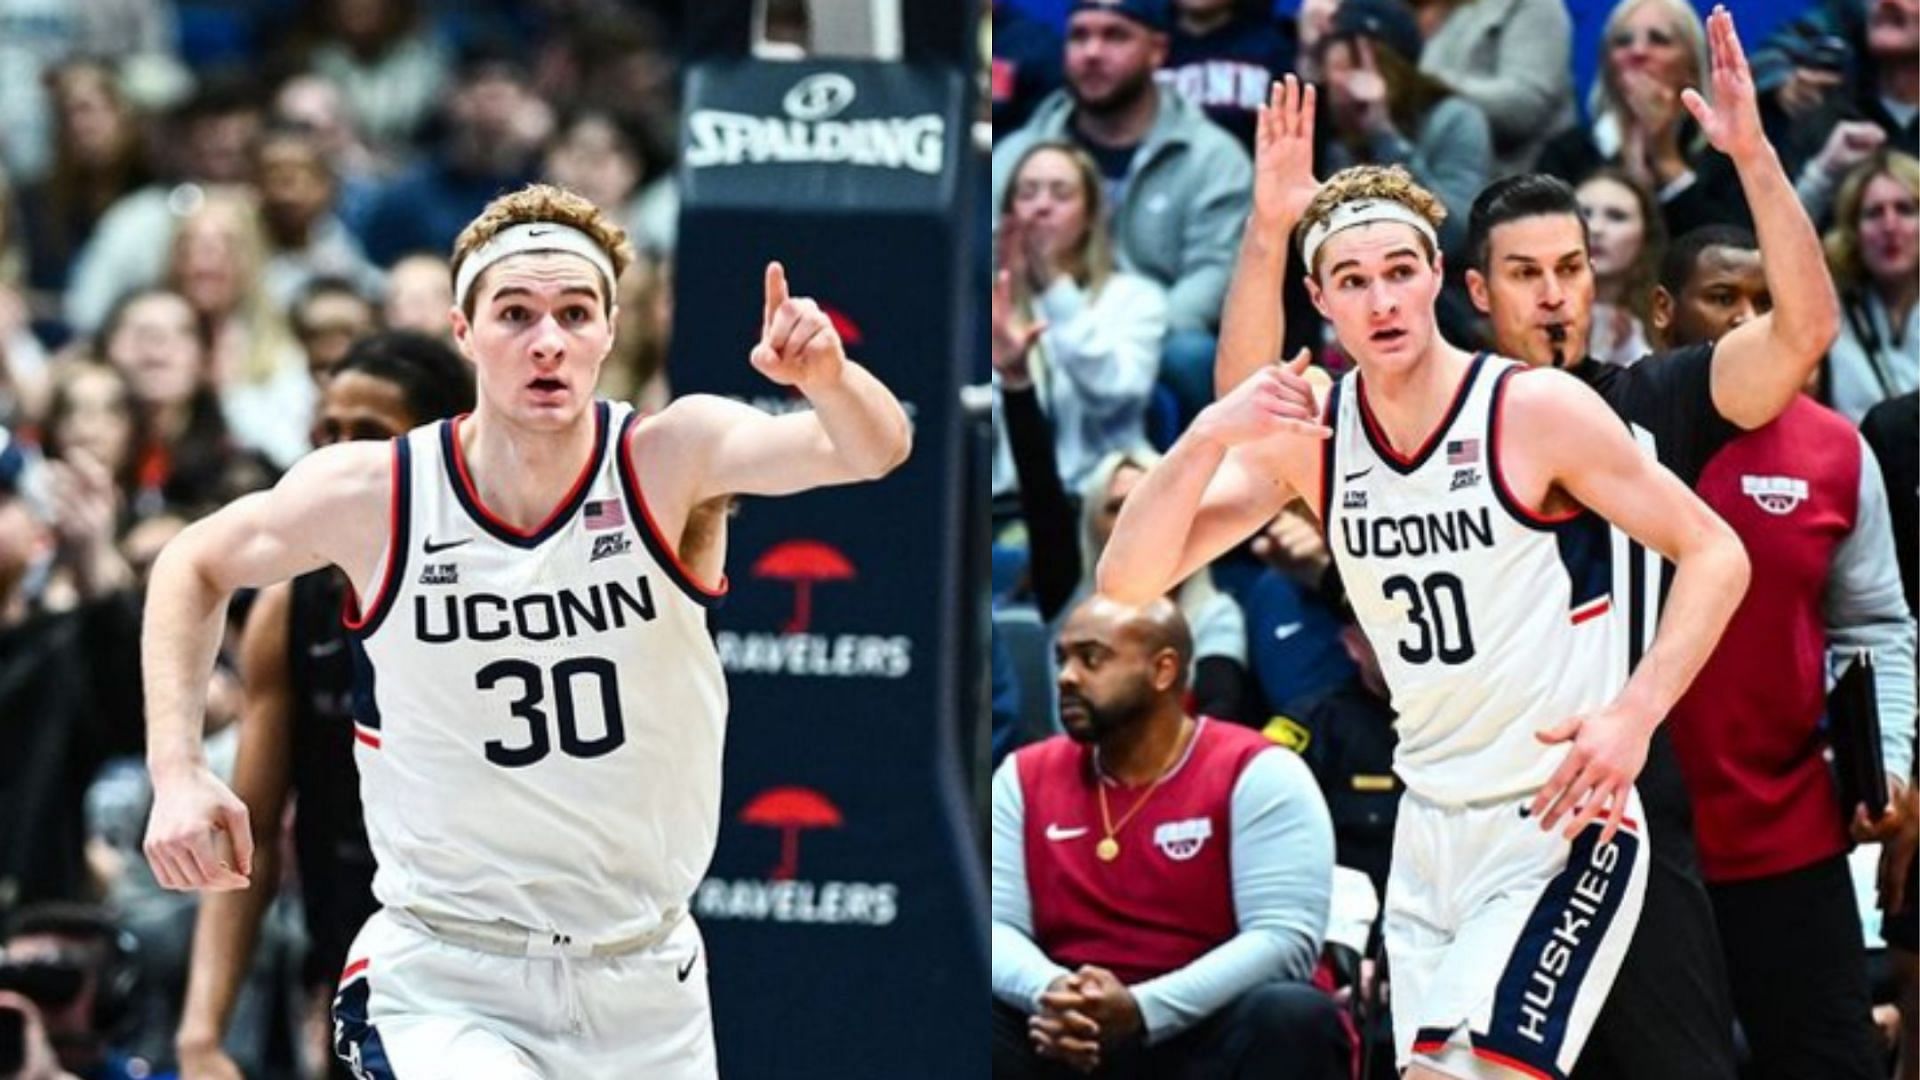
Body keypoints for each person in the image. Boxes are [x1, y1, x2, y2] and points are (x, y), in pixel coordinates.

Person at [139, 184, 912, 1078]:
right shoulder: (380, 493)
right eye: (515, 313)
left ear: (610, 333)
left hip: (645, 970)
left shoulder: (671, 457)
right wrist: (179, 770)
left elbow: (872, 450)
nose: (548, 340)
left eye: (574, 313)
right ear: (464, 333)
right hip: (446, 973)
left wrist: (829, 379)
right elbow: (190, 564)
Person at [1105, 74, 1751, 1080]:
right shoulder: (1320, 436)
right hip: (1430, 824)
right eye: (1352, 280)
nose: (1382, 298)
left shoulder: (1534, 409)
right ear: (1319, 300)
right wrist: (1201, 434)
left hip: (1557, 820)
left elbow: (1719, 553)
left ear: (1437, 277)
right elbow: (1129, 575)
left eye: (1399, 271)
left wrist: (1634, 715)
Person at [1648, 223, 1915, 1080]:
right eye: (1723, 298)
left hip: (1791, 834)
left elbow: (1874, 626)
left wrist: (1891, 762)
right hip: (1642, 845)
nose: (1750, 318)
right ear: (1663, 312)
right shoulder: (1608, 435)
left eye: (1767, 301)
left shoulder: (1839, 450)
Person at [174, 332, 475, 1080]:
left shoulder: (499, 591)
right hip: (358, 970)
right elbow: (254, 834)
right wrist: (201, 1032)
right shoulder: (292, 603)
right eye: (326, 435)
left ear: (442, 449)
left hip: (491, 974)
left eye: (369, 436)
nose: (337, 458)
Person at [991, 594, 1347, 1078]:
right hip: (1071, 1033)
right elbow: (995, 926)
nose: (1066, 677)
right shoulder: (1022, 775)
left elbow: (1284, 941)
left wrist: (1142, 1010)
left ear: (1163, 671)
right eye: (1062, 659)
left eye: (1091, 658)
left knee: (1291, 1014)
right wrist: (1056, 993)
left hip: (1204, 1030)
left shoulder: (1259, 770)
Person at [991, 0, 1253, 423]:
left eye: (1115, 35)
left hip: (1156, 330)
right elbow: (987, 262)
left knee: (1191, 356)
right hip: (1039, 318)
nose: (1092, 52)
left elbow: (1215, 275)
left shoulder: (1212, 156)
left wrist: (1123, 333)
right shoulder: (1021, 152)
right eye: (1079, 36)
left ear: (1157, 50)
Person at [991, 140, 1167, 499]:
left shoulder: (1135, 298)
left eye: (1061, 193)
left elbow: (1115, 394)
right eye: (1027, 193)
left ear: (1089, 216)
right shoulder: (988, 305)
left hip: (1104, 504)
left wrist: (1053, 283)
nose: (1042, 206)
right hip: (1008, 503)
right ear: (1009, 212)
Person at [1537, 0, 1748, 240]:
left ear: (1691, 68)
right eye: (1622, 41)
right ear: (1608, 65)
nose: (1637, 52)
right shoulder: (1569, 153)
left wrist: (1666, 159)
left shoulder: (1725, 154)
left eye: (1659, 40)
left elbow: (1731, 250)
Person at [1409, 0, 1575, 176]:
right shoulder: (1455, 8)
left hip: (1516, 185)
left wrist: (1433, 86)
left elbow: (1524, 104)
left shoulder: (1536, 6)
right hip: (1443, 174)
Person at [1821, 149, 1918, 421]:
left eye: (1905, 209)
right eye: (1874, 213)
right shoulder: (1829, 316)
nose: (1890, 226)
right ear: (1853, 231)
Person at [1576, 168, 1665, 367]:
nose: (1596, 228)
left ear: (1646, 235)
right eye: (1584, 214)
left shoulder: (1668, 318)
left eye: (1616, 216)